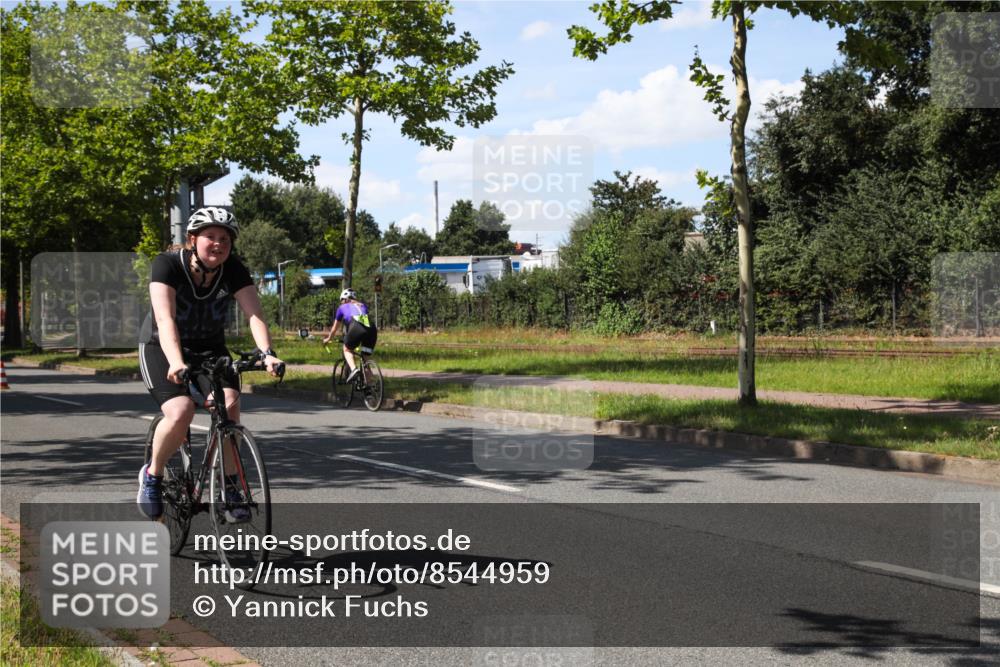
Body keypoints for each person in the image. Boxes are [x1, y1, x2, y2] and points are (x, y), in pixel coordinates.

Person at [137, 206, 283, 520]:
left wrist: (266, 352)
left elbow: (254, 314)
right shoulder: (167, 265)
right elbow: (165, 319)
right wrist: (176, 362)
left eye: (225, 239)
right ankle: (153, 475)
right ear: (192, 239)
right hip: (162, 346)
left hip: (210, 349)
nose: (218, 244)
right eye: (210, 237)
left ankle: (230, 486)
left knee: (229, 403)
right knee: (181, 411)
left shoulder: (233, 269)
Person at [322, 288, 377, 383]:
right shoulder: (362, 305)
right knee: (365, 359)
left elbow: (335, 328)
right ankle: (370, 388)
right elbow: (363, 321)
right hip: (371, 328)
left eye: (341, 300)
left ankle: (354, 370)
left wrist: (328, 339)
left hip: (356, 325)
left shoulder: (341, 308)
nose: (341, 303)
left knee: (347, 349)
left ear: (344, 299)